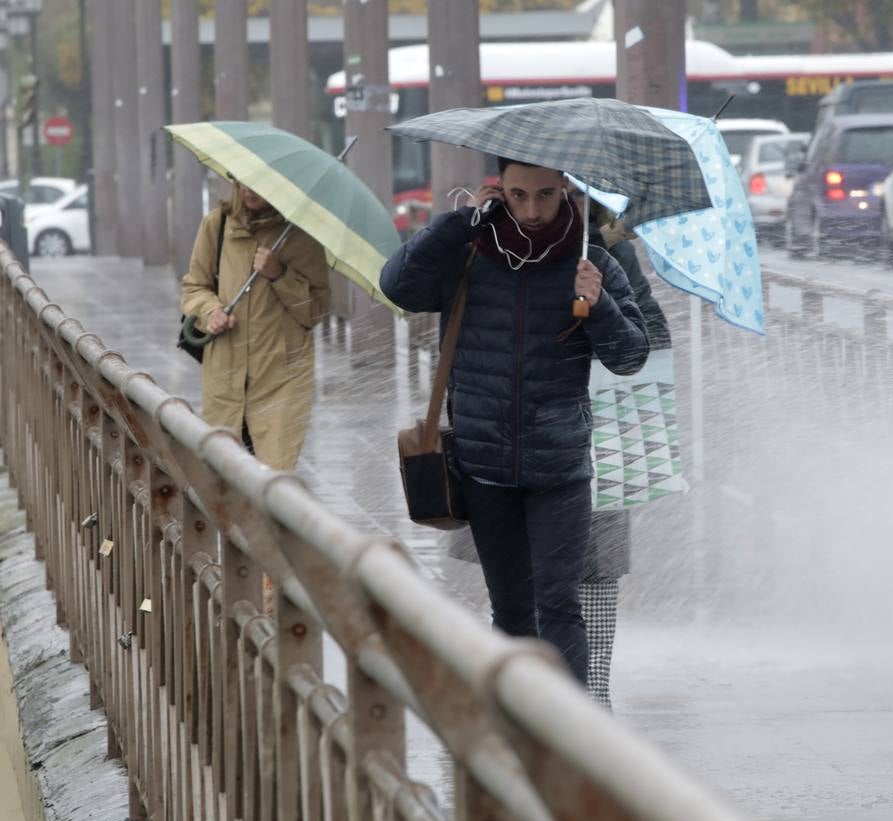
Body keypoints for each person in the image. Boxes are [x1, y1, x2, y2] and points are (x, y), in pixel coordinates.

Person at [379, 158, 650, 685]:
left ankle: (571, 732)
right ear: (499, 190)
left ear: (567, 192)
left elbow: (631, 356)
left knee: (560, 603)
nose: (532, 209)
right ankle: (520, 723)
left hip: (561, 468)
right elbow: (398, 286)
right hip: (484, 468)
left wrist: (597, 306)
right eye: (519, 195)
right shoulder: (469, 253)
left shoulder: (591, 260)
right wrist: (459, 222)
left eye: (546, 196)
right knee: (510, 611)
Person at [579, 202, 672, 708]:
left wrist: (601, 296)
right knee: (518, 568)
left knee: (595, 566)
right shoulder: (489, 243)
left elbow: (647, 342)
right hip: (515, 438)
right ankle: (532, 693)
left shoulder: (610, 255)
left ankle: (593, 693)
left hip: (601, 428)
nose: (539, 208)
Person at [180, 182, 332, 471]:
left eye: (259, 183)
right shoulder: (218, 224)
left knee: (273, 477)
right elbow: (194, 288)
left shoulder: (301, 236)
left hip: (281, 377)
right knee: (223, 475)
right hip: (225, 372)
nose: (250, 189)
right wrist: (211, 310)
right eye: (242, 181)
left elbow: (314, 312)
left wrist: (280, 274)